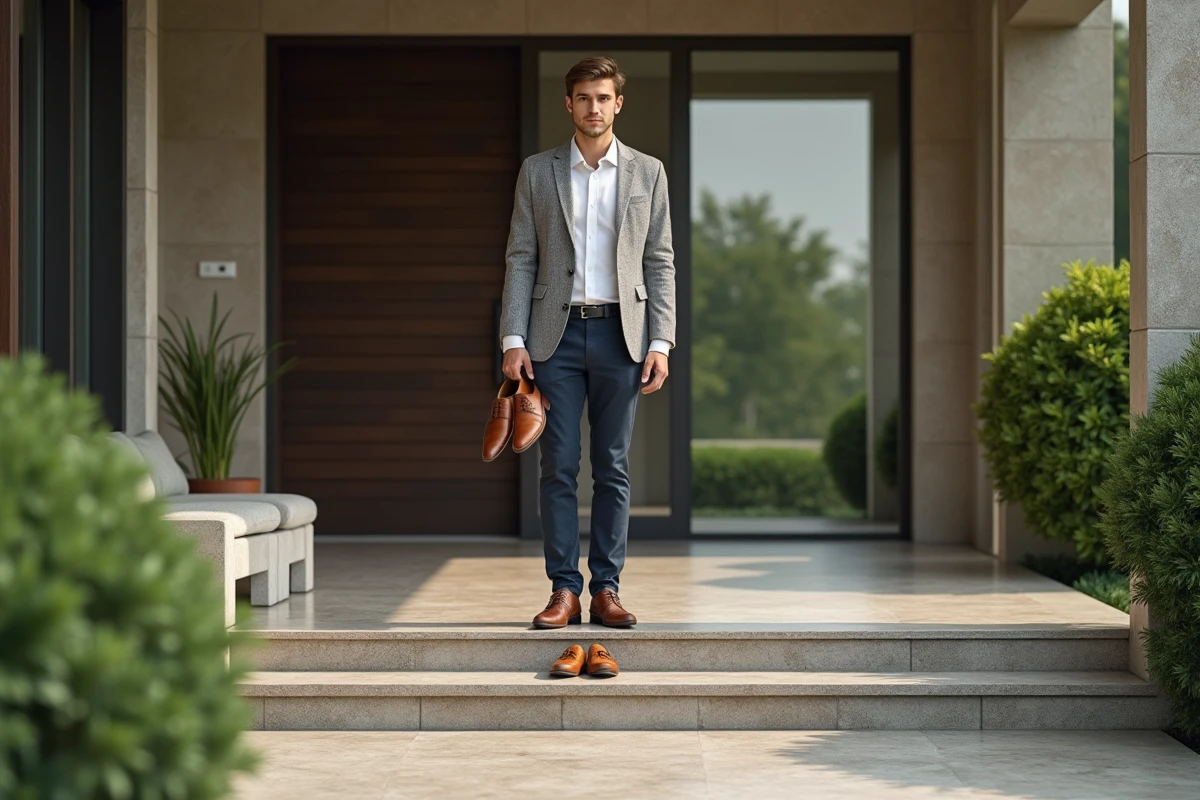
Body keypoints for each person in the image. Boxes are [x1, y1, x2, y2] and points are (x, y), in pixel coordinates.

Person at [497, 55, 676, 629]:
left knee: (614, 467)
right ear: (568, 104)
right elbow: (521, 257)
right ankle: (563, 591)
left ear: (618, 104)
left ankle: (607, 589)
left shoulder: (649, 173)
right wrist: (513, 336)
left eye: (603, 98)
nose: (593, 108)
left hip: (623, 334)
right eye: (583, 98)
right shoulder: (537, 171)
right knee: (558, 466)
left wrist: (661, 341)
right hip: (556, 336)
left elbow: (660, 262)